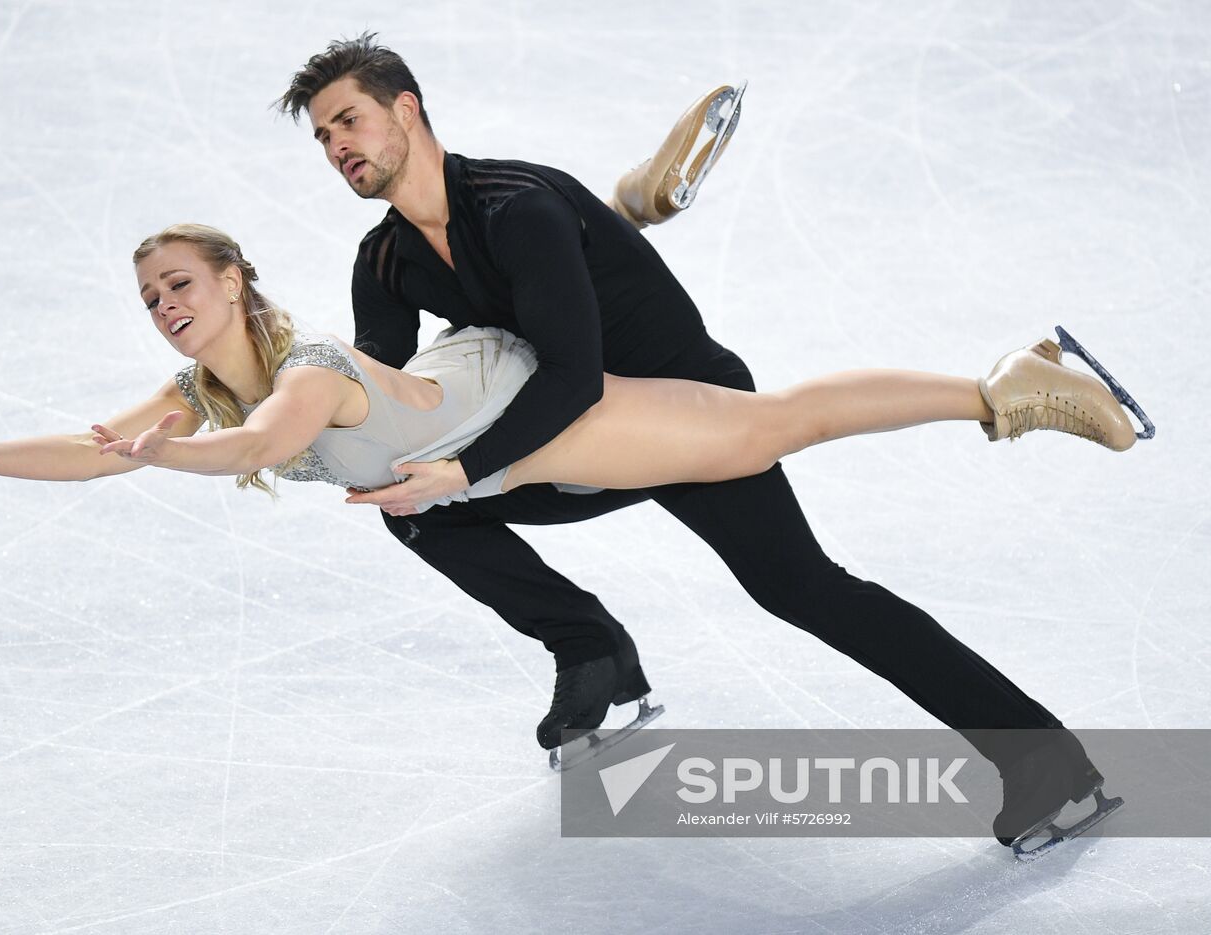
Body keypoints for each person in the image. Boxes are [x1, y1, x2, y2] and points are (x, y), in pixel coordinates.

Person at [0, 217, 1138, 847]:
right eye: (149, 300)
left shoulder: (299, 367)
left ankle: (1001, 386)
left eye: (179, 286)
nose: (164, 311)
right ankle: (596, 657)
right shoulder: (206, 391)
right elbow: (96, 448)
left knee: (778, 461)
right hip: (501, 465)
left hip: (564, 422)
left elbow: (255, 445)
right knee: (417, 514)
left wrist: (166, 451)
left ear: (234, 281)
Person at [273, 33, 1146, 850]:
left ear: (408, 109)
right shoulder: (382, 260)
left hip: (686, 412)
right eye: (321, 138)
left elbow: (571, 377)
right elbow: (377, 388)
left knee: (803, 588)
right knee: (419, 511)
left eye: (349, 120)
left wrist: (463, 464)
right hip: (576, 444)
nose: (337, 146)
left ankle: (1045, 762)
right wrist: (271, 408)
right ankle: (589, 646)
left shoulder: (517, 207)